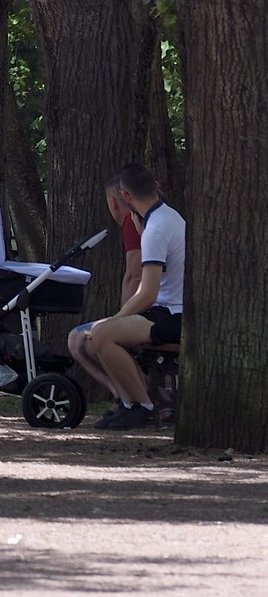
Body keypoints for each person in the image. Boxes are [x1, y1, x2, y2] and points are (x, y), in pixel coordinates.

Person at [74, 162, 185, 431]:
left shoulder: (156, 229)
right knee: (81, 338)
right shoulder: (163, 219)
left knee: (102, 335)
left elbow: (146, 293)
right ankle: (129, 403)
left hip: (174, 315)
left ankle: (145, 406)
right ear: (156, 186)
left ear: (125, 196)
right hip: (163, 311)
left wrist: (114, 321)